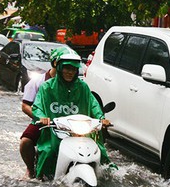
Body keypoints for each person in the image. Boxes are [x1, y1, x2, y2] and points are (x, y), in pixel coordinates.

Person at [31, 47, 111, 179]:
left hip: (80, 132)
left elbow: (93, 104)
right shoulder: (47, 87)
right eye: (67, 68)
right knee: (49, 151)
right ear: (60, 68)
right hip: (54, 132)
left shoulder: (83, 87)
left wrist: (101, 118)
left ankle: (105, 176)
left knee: (100, 150)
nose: (70, 72)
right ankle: (41, 179)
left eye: (73, 69)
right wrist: (42, 117)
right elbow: (37, 106)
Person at [18, 47, 69, 178]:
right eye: (65, 65)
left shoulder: (74, 84)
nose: (69, 70)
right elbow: (25, 105)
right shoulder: (38, 82)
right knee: (26, 141)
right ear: (56, 64)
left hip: (68, 123)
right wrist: (39, 117)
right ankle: (31, 169)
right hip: (44, 122)